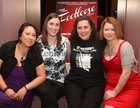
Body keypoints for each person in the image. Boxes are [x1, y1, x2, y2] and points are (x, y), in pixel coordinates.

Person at [0, 22, 46, 108]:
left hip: (24, 93)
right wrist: (6, 89)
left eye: (33, 35)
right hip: (3, 89)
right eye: (27, 34)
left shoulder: (36, 52)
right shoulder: (6, 48)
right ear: (20, 35)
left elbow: (42, 76)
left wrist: (25, 89)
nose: (30, 38)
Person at [64, 15, 106, 108]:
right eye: (79, 28)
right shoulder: (71, 41)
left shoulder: (101, 40)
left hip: (95, 84)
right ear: (76, 29)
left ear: (91, 28)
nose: (83, 31)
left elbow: (114, 45)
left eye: (86, 27)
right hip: (74, 82)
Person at [99, 17, 140, 108]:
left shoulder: (125, 46)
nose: (109, 32)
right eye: (106, 29)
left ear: (117, 30)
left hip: (129, 88)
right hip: (111, 86)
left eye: (112, 29)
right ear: (102, 31)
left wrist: (115, 92)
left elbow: (126, 72)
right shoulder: (103, 47)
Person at [36, 12, 70, 108]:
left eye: (57, 25)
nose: (54, 27)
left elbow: (71, 59)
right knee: (46, 94)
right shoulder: (38, 41)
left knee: (49, 98)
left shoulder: (65, 42)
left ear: (60, 27)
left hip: (60, 80)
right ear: (46, 24)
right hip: (42, 79)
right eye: (51, 24)